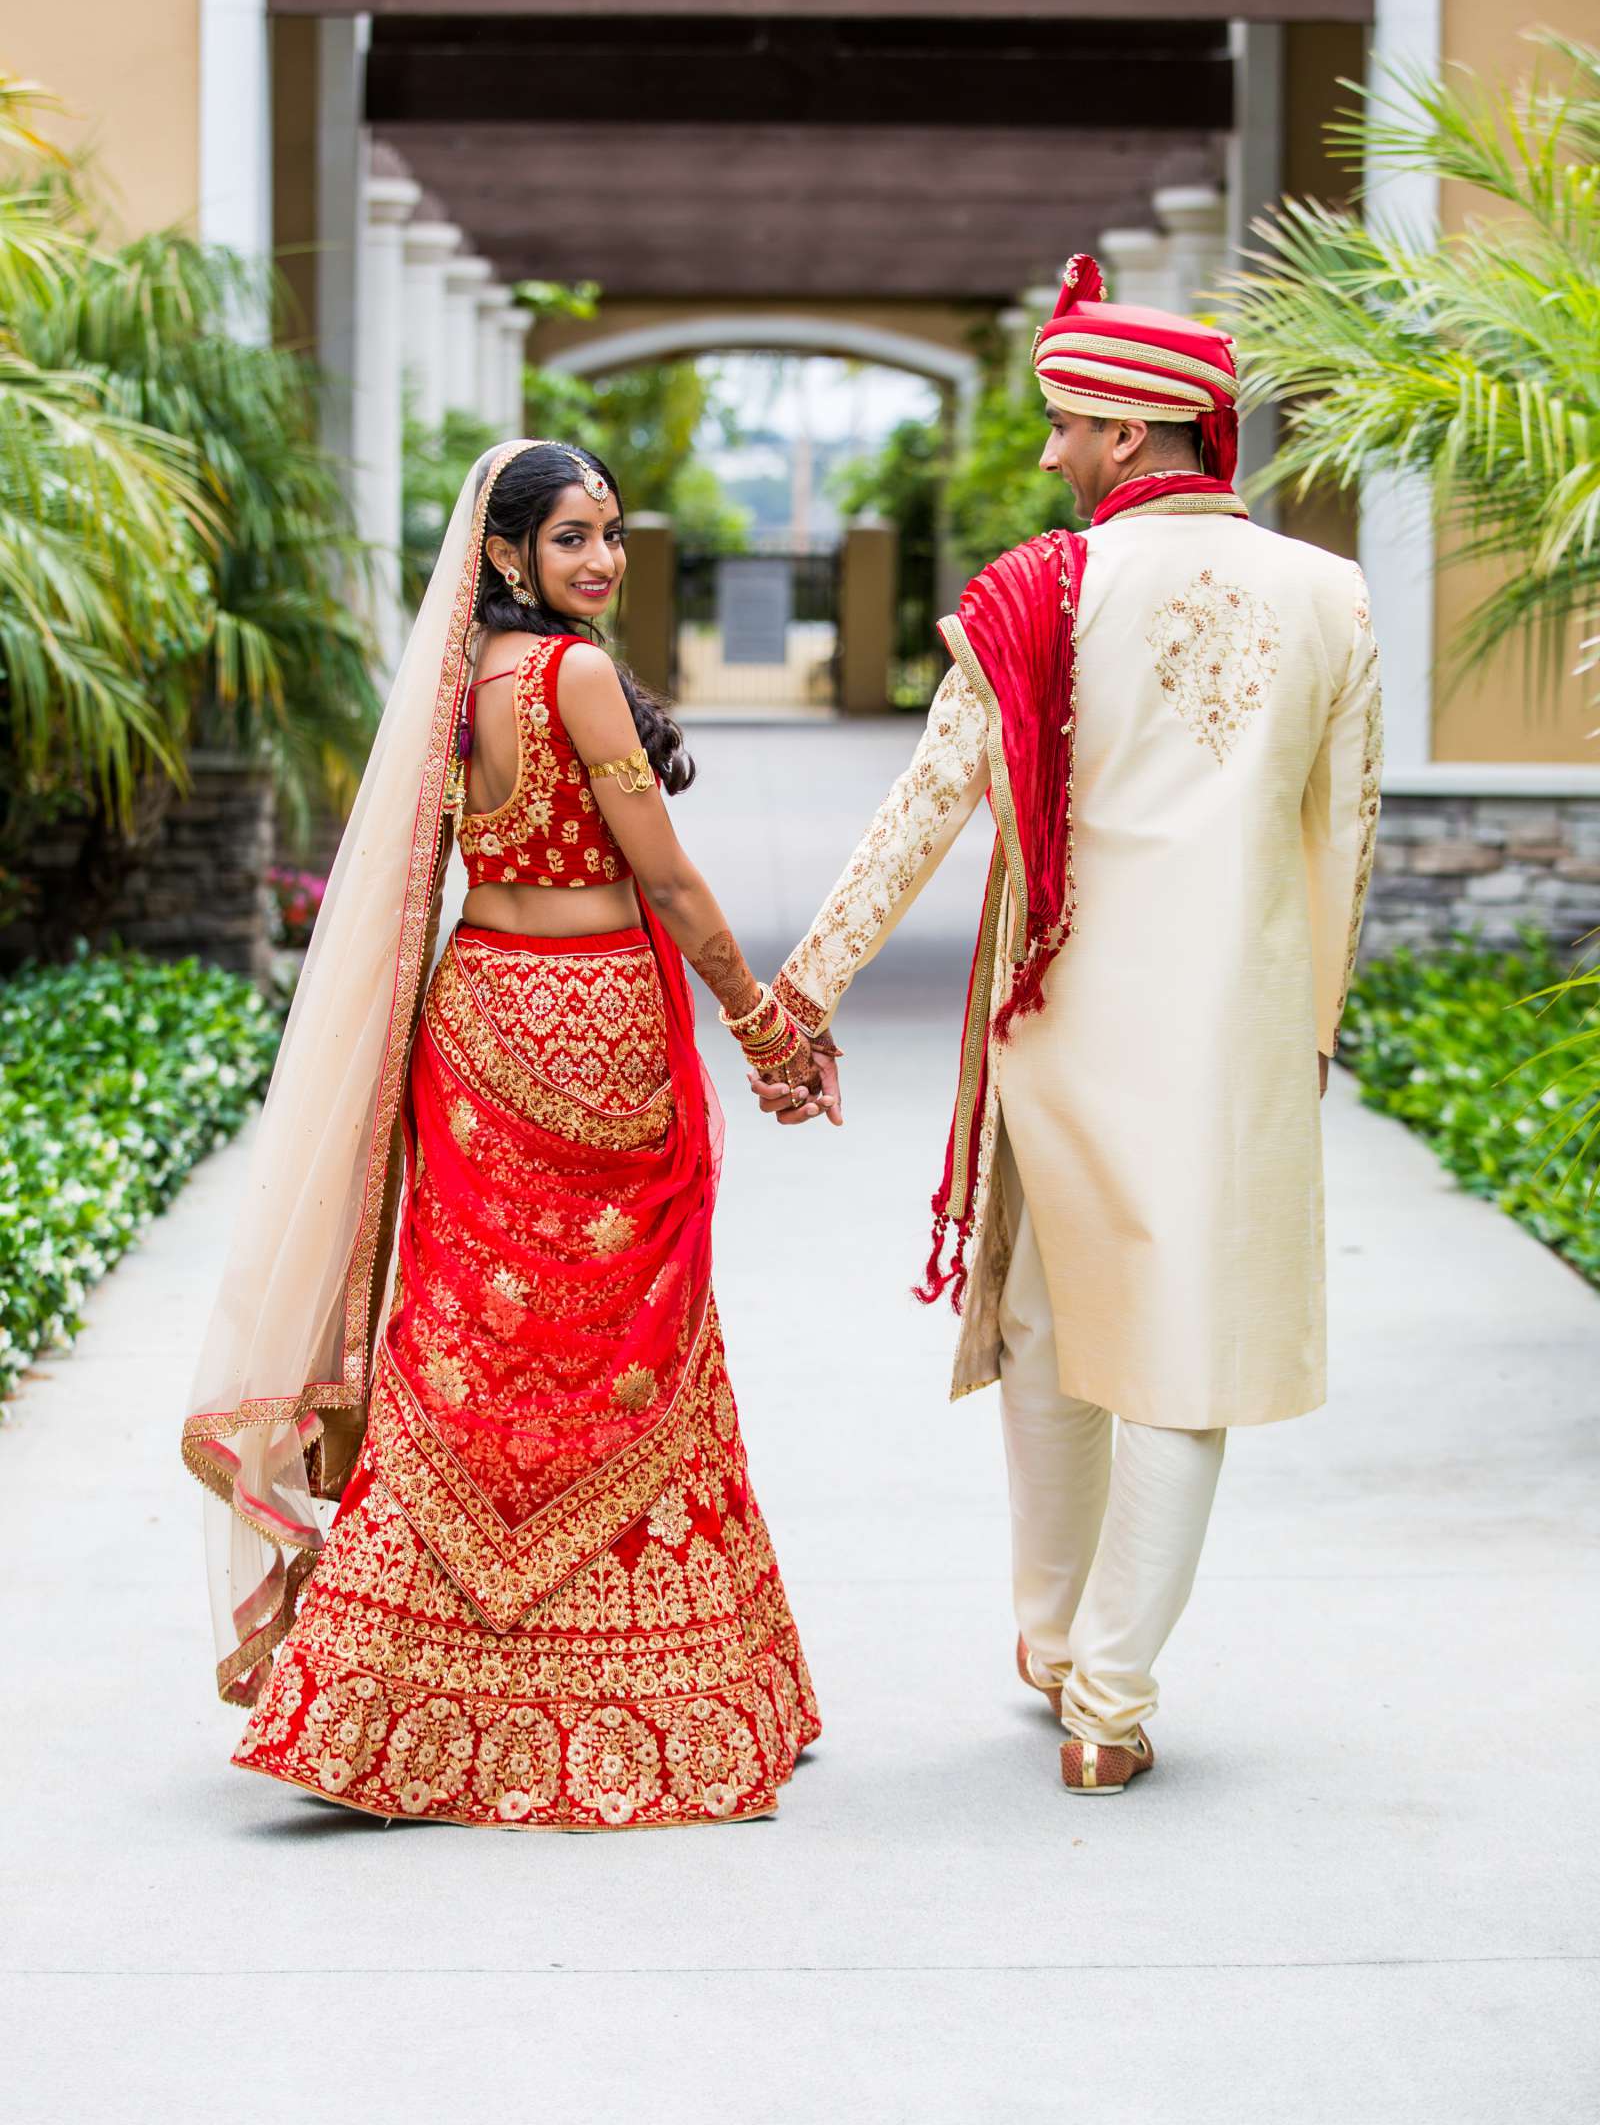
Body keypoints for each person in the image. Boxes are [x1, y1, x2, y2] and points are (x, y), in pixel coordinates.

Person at [756, 257, 1382, 1794]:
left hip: (1063, 1020)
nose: (1050, 455)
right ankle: (1105, 1699)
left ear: (1132, 430)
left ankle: (1052, 1642)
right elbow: (1343, 843)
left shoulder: (1043, 596)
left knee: (1047, 1317)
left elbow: (923, 812)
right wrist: (1311, 1031)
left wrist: (802, 993)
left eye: (1064, 425)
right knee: (1185, 1352)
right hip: (1229, 1036)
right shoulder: (1331, 595)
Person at [182, 439, 827, 1832]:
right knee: (631, 1345)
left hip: (473, 1024)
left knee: (462, 1349)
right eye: (574, 539)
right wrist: (766, 1028)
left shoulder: (452, 685)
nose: (599, 562)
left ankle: (378, 1702)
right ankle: (676, 1685)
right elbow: (666, 875)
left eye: (611, 538)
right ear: (505, 552)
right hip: (592, 1024)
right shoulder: (576, 677)